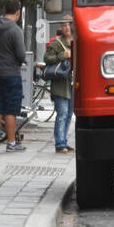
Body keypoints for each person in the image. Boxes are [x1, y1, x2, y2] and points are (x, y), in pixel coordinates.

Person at [0, 0, 27, 154]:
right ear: (17, 12)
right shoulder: (16, 30)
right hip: (11, 74)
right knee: (10, 109)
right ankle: (11, 143)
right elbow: (21, 55)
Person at [44, 22, 74, 154]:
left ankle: (64, 141)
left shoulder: (77, 41)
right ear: (61, 28)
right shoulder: (56, 43)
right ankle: (60, 143)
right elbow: (46, 58)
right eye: (65, 26)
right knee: (62, 114)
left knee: (68, 115)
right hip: (61, 85)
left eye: (69, 25)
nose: (67, 28)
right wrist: (63, 55)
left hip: (73, 84)